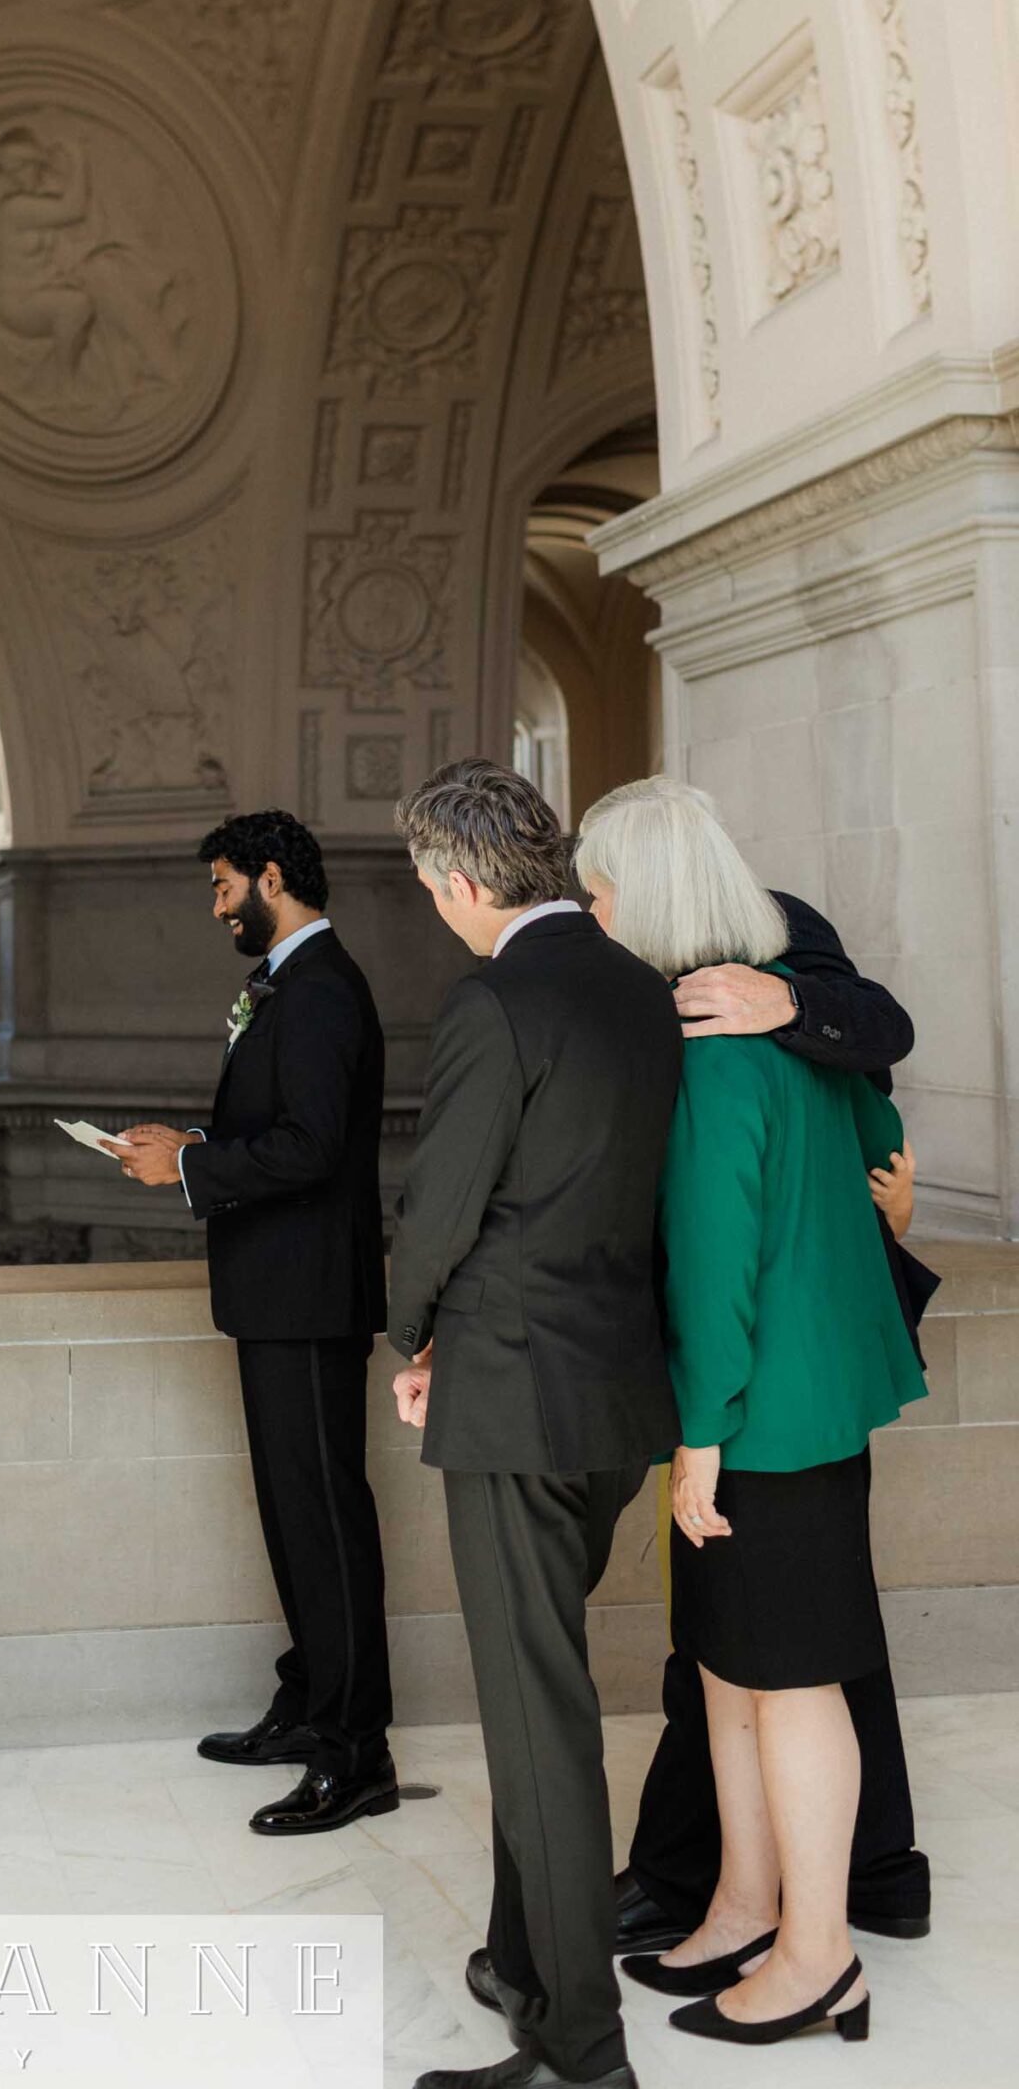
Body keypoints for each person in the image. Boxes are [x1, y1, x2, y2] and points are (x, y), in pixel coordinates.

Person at [575, 778, 925, 2052]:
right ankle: (742, 1905)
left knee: (787, 1686)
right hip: (804, 1392)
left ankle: (822, 1957)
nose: (591, 911)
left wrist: (703, 1436)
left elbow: (715, 1265)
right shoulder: (777, 1024)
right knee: (730, 1675)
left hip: (761, 1413)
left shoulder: (724, 1044)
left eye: (601, 889)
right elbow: (879, 1133)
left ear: (648, 894)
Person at [388, 760, 683, 2089]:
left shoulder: (494, 999)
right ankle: (521, 1961)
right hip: (619, 1398)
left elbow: (440, 1209)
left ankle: (577, 2049)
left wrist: (409, 1337)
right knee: (539, 1697)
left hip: (511, 1399)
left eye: (425, 889)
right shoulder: (638, 987)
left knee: (537, 1722)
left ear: (456, 882)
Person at [115, 810, 394, 1837]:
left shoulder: (320, 987)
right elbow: (281, 1130)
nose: (217, 903)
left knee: (325, 1522)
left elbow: (315, 1148)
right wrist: (192, 1141)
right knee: (293, 1519)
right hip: (280, 1294)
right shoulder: (290, 983)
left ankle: (356, 1750)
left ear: (273, 876)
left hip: (312, 1298)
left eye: (225, 883)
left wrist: (188, 1169)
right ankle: (308, 1699)